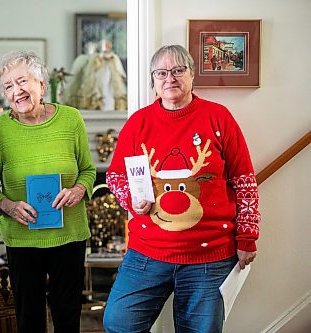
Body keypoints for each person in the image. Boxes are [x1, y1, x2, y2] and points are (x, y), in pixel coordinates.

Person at [103, 45, 261, 333]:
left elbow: (244, 181)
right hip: (146, 253)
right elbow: (116, 177)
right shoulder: (138, 123)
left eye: (178, 71)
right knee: (119, 322)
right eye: (161, 72)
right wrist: (132, 198)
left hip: (210, 256)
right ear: (153, 80)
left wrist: (247, 237)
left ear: (192, 75)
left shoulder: (218, 117)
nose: (170, 78)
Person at [0, 50, 96, 333]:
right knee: (29, 319)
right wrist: (9, 206)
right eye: (8, 86)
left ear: (42, 84)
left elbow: (88, 170)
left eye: (22, 81)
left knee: (67, 316)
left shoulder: (71, 120)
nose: (17, 91)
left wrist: (78, 190)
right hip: (22, 238)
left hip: (69, 235)